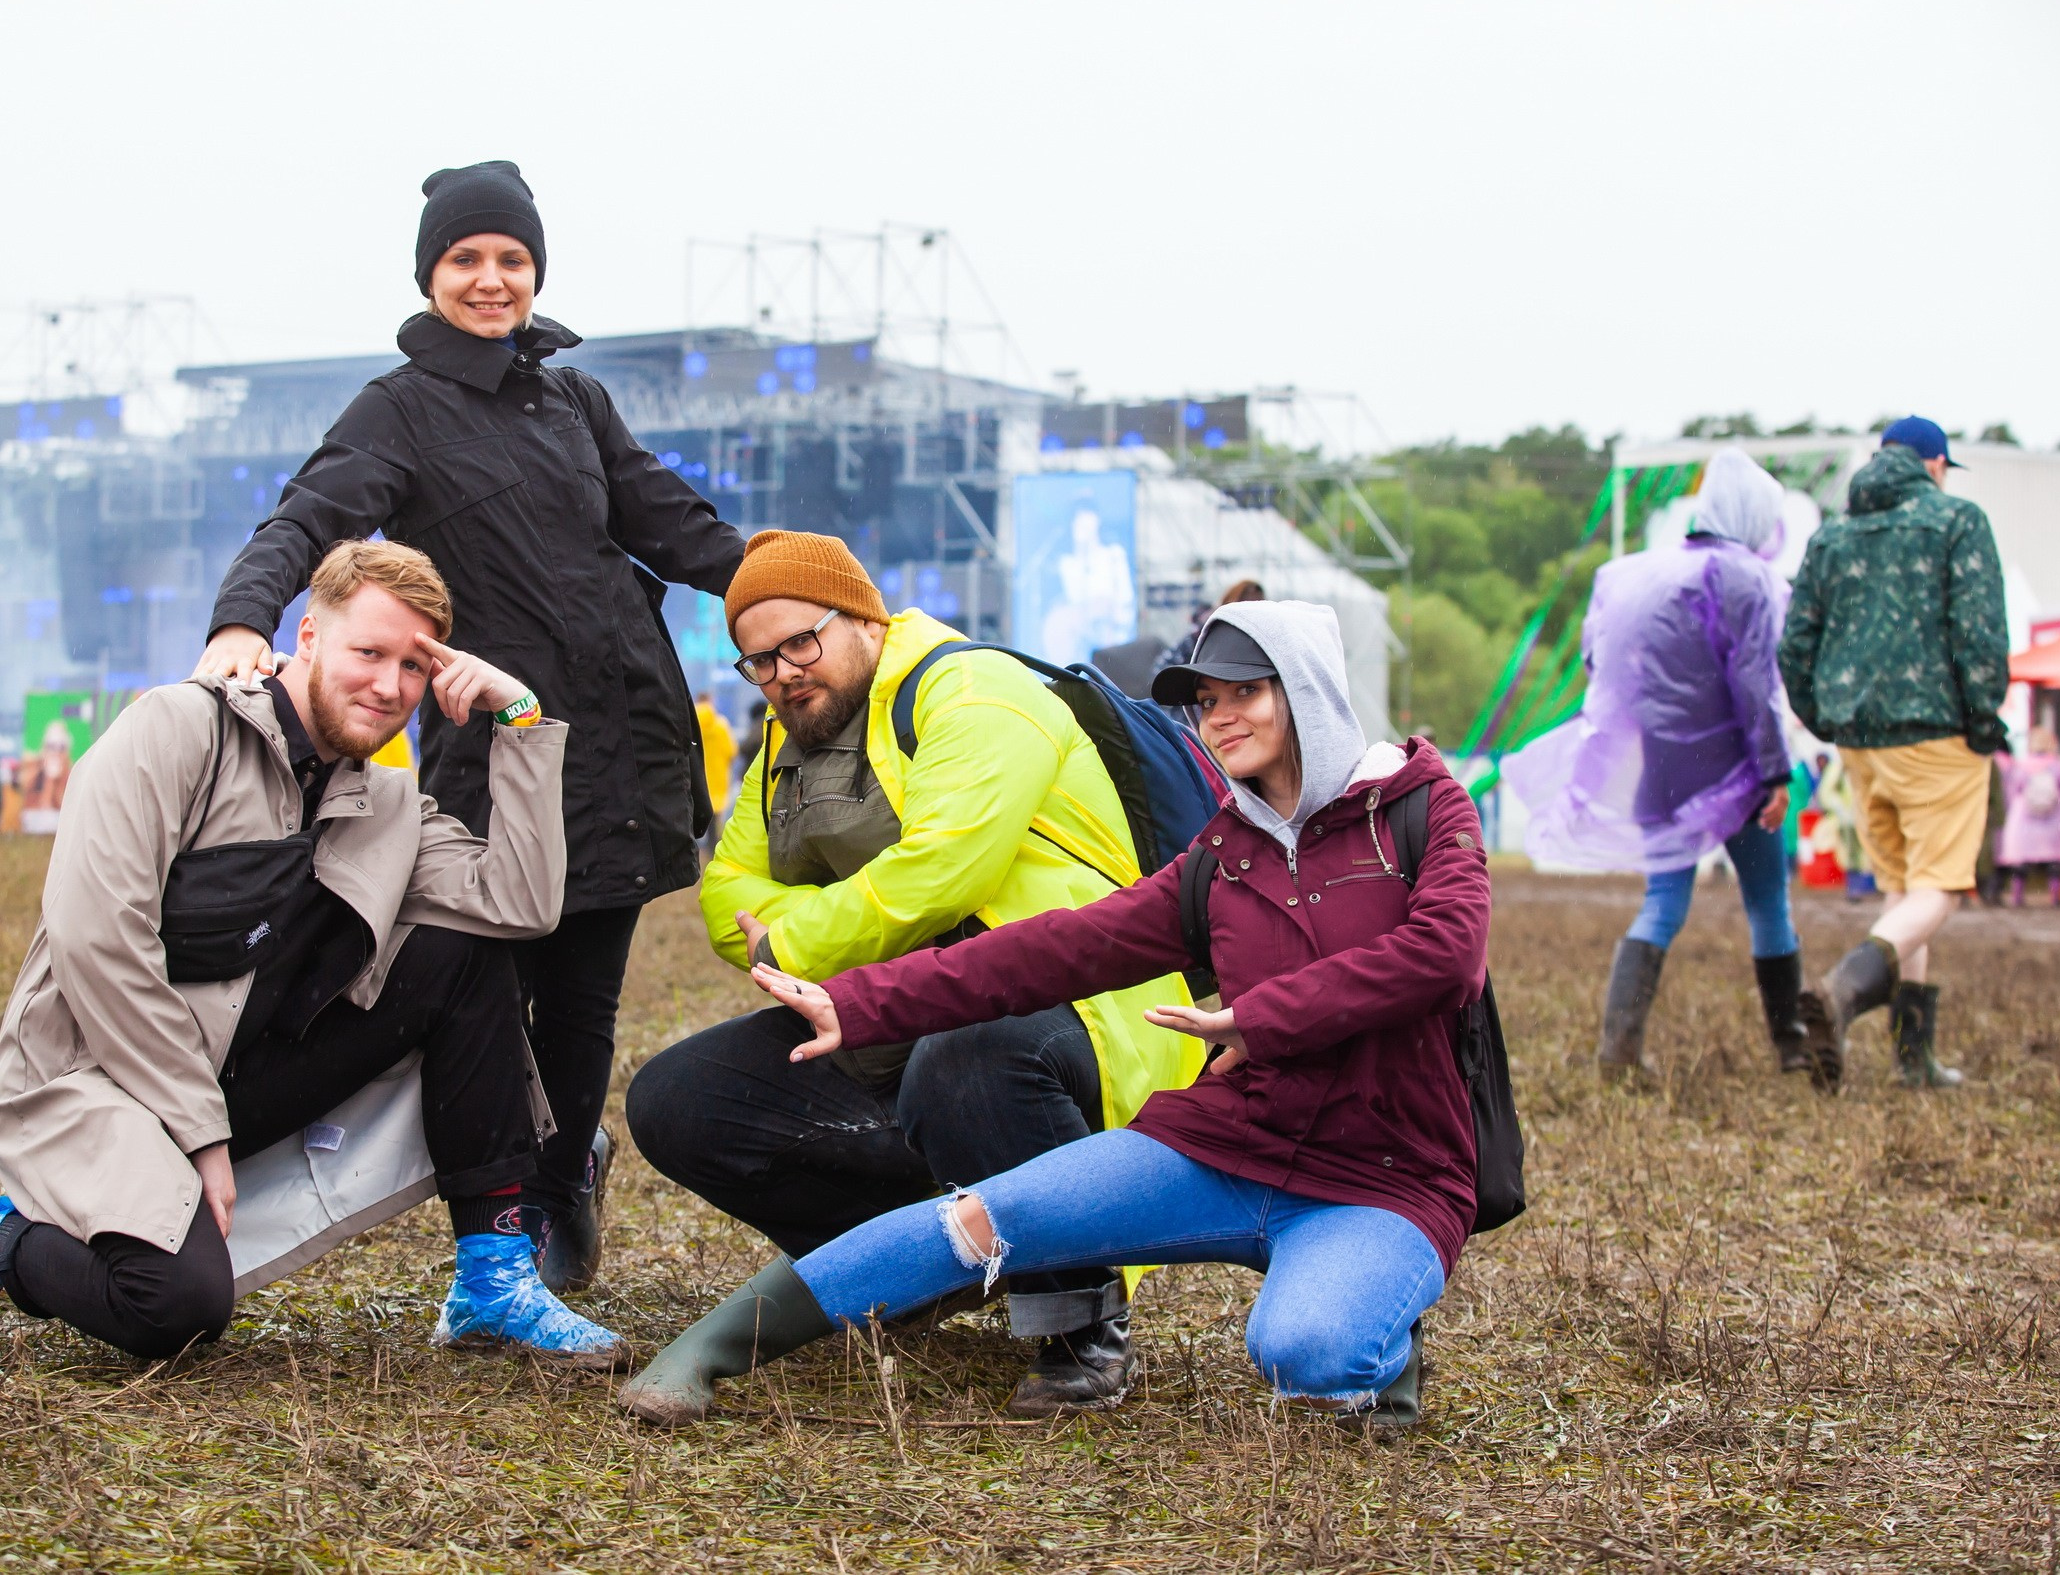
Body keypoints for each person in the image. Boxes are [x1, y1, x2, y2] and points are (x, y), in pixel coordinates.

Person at [618, 601, 1487, 1431]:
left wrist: (1266, 1017)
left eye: (1246, 693)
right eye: (1208, 701)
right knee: (981, 1216)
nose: (1222, 718)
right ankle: (708, 1351)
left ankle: (1382, 1327)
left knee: (1303, 1350)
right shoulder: (1223, 855)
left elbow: (1446, 955)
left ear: (1306, 690)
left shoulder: (1421, 806)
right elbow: (1051, 950)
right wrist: (860, 1002)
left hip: (1382, 1173)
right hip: (1228, 1148)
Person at [191, 160, 744, 1291]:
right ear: (430, 275)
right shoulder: (398, 408)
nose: (492, 280)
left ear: (535, 272)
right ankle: (500, 1205)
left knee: (587, 987)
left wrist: (802, 595)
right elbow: (305, 518)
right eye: (467, 260)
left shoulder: (577, 399)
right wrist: (243, 617)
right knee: (493, 975)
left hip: (625, 731)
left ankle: (552, 1193)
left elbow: (673, 523)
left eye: (512, 260)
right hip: (495, 743)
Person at [0, 540, 625, 1368]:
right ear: (308, 635)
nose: (389, 685)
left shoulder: (388, 804)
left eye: (413, 667)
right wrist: (202, 1132)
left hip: (237, 1076)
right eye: (368, 652)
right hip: (95, 1080)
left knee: (468, 951)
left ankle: (494, 1278)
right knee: (175, 1307)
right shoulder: (174, 729)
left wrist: (521, 719)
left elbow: (520, 905)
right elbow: (96, 940)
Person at [624, 532, 1205, 1416]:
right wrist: (804, 939)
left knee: (967, 1059)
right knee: (676, 1099)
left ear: (863, 615)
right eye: (758, 660)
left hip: (1070, 1010)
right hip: (896, 1006)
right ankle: (916, 1270)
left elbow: (941, 873)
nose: (780, 673)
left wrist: (789, 940)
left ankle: (1081, 1323)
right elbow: (724, 895)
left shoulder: (978, 692)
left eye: (800, 642)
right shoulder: (794, 733)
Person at [1502, 449, 1807, 1075]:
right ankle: (1795, 1051)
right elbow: (1756, 687)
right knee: (1768, 904)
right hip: (1734, 775)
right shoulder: (1747, 578)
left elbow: (1599, 666)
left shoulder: (1627, 573)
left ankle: (1620, 1050)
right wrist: (1775, 774)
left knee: (1663, 901)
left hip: (1656, 773)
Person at [1778, 416, 2010, 1091]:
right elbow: (1980, 629)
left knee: (1904, 887)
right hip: (1937, 732)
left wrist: (1823, 718)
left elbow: (1796, 645)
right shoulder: (1958, 521)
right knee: (1940, 889)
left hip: (1859, 740)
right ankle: (1844, 991)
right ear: (1936, 465)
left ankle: (1914, 1056)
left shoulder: (1831, 535)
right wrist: (1984, 716)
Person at [1997, 726, 2060, 906]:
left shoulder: (2020, 766)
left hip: (2024, 820)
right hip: (2054, 820)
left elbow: (2013, 791)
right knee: (2054, 863)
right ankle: (2055, 897)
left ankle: (2017, 896)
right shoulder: (2057, 766)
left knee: (2021, 863)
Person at [693, 690, 736, 855]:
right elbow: (731, 751)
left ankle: (696, 851)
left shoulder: (692, 725)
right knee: (715, 817)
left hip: (697, 778)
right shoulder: (721, 725)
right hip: (717, 776)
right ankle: (713, 850)